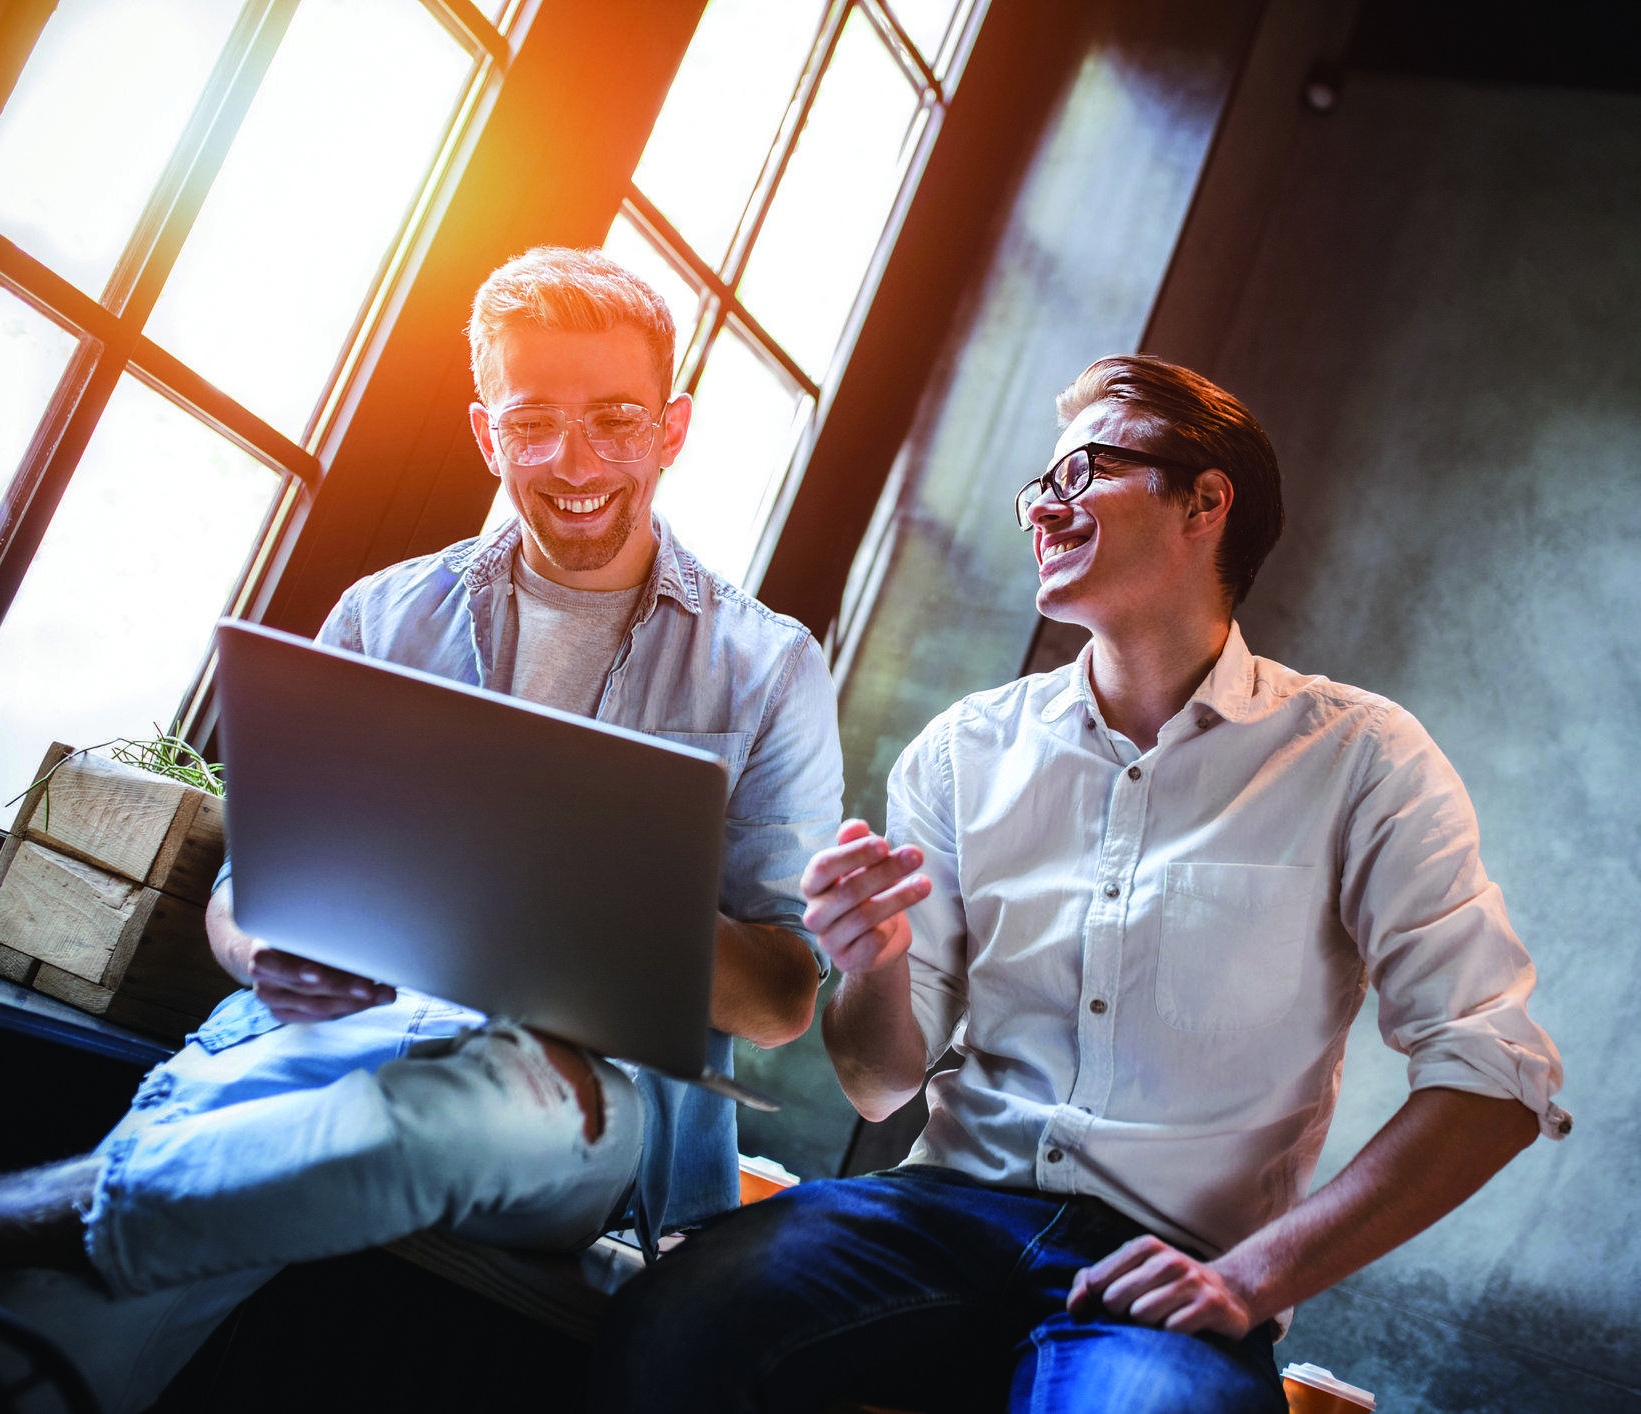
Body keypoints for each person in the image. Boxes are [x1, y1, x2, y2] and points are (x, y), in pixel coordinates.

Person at [0, 247, 841, 1412]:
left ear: (672, 429)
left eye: (615, 421)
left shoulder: (766, 665)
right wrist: (259, 948)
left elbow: (782, 996)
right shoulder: (385, 612)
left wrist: (584, 883)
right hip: (327, 1036)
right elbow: (248, 891)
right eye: (533, 423)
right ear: (486, 434)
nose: (572, 463)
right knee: (80, 1326)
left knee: (427, 1120)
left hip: (578, 1093)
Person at [591, 355, 1570, 1413]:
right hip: (933, 1214)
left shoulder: (1363, 757)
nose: (1043, 509)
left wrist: (1251, 1278)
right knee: (665, 1330)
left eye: (1082, 472)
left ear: (1204, 500)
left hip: (1170, 1270)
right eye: (1036, 487)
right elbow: (878, 1084)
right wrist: (873, 964)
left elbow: (1494, 1076)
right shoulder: (961, 750)